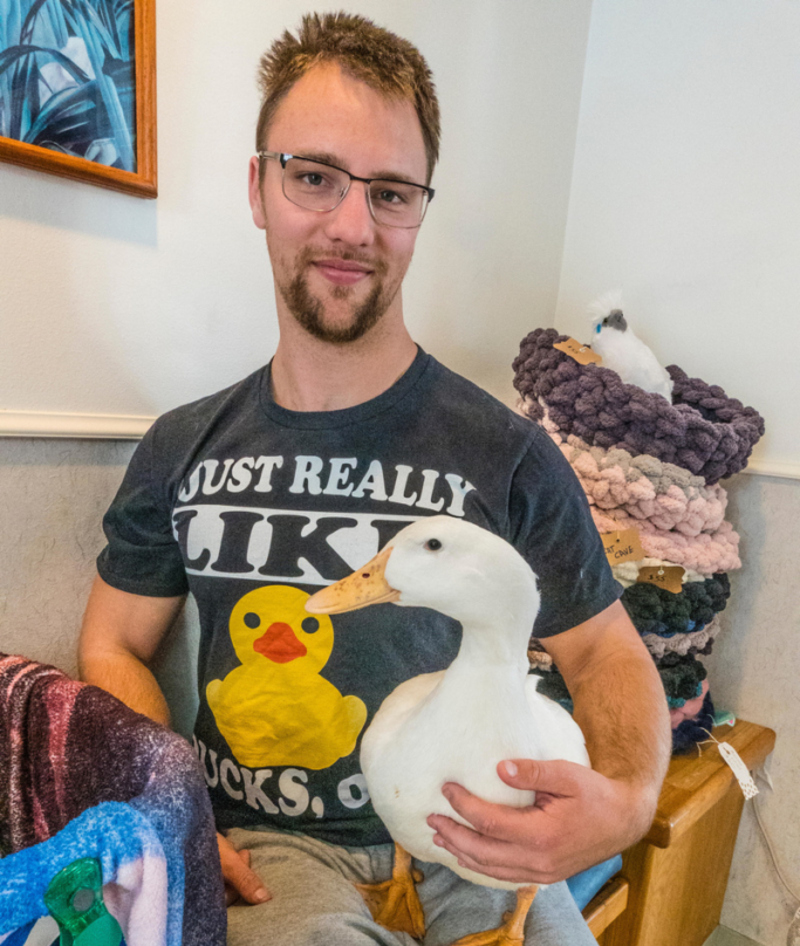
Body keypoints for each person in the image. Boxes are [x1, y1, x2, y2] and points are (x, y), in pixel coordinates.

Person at [78, 12, 671, 946]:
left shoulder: (509, 453)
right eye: (314, 177)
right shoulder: (181, 446)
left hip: (481, 833)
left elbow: (603, 654)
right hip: (273, 857)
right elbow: (113, 643)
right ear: (259, 187)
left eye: (390, 191)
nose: (351, 225)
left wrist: (629, 801)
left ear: (420, 210)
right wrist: (170, 806)